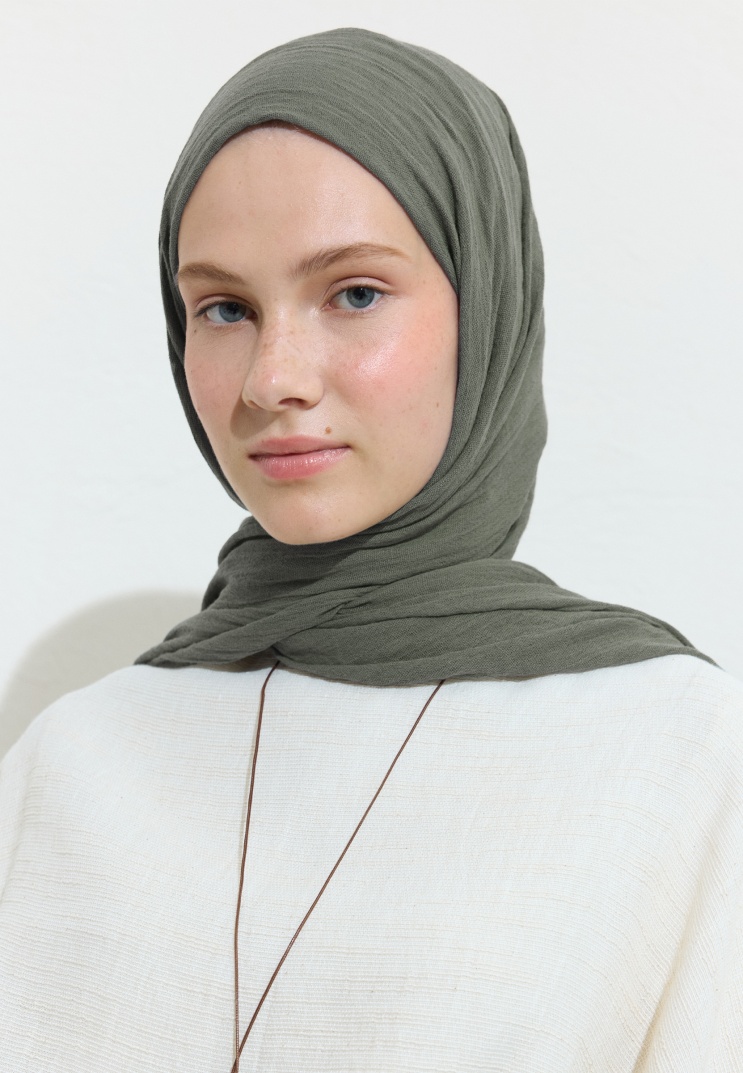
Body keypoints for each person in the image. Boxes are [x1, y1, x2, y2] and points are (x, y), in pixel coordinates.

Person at [1, 25, 742, 1073]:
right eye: (224, 308)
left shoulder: (673, 755)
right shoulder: (71, 762)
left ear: (485, 303)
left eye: (353, 293)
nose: (273, 378)